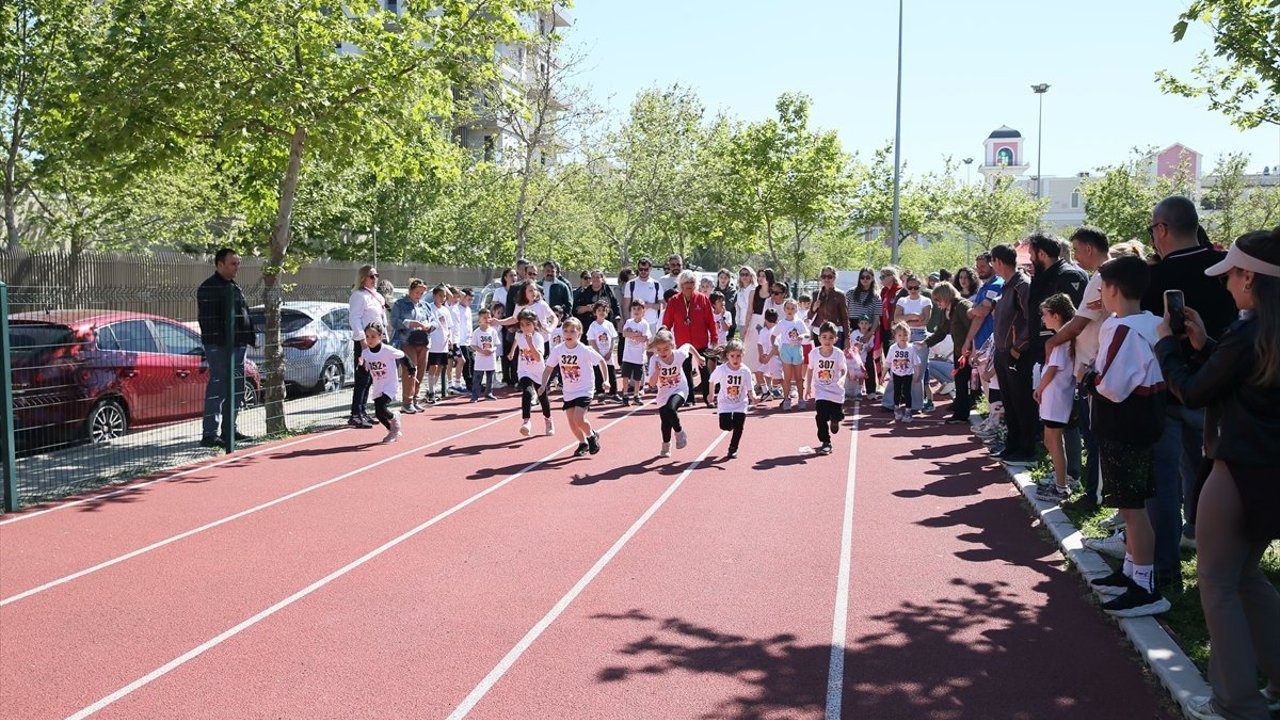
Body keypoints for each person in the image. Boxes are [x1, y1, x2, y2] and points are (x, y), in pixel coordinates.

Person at [1153, 229, 1280, 720]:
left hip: (1238, 468)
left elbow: (1193, 391)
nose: (1225, 284)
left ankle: (1236, 702)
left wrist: (1167, 347)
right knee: (1245, 577)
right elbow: (1240, 382)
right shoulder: (1262, 333)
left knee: (1218, 583)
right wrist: (1206, 345)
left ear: (1250, 278)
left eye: (1230, 275)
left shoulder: (1248, 334)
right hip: (1267, 468)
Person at [1141, 195, 1239, 591]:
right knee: (1209, 477)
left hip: (1166, 387)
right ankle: (1213, 557)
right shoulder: (1227, 269)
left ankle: (1165, 567)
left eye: (1153, 229)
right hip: (1219, 385)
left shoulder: (1152, 278)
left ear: (1162, 229)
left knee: (1162, 481)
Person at [1081, 254, 1171, 619]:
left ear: (1113, 290)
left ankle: (1145, 586)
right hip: (1141, 422)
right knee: (1131, 506)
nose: (1099, 295)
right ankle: (1132, 572)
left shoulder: (1124, 329)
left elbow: (1112, 386)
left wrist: (1088, 379)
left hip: (1124, 425)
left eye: (1102, 288)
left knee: (1133, 510)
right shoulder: (1149, 323)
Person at [1045, 227, 1110, 512]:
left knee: (1094, 437)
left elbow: (1078, 322)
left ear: (1089, 248)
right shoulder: (1099, 277)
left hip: (1094, 366)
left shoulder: (1102, 276)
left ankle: (1095, 495)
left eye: (1076, 250)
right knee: (1089, 434)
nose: (1075, 257)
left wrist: (1053, 341)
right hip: (1089, 366)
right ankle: (1093, 490)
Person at [196, 248, 255, 448]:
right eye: (233, 264)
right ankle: (209, 434)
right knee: (219, 387)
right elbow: (209, 322)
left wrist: (248, 336)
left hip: (238, 346)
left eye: (238, 263)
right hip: (220, 347)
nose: (237, 267)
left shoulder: (234, 286)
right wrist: (225, 342)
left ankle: (229, 429)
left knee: (237, 387)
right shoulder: (209, 288)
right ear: (219, 264)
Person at [987, 244, 1036, 463]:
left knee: (1021, 402)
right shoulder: (1007, 285)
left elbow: (1032, 319)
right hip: (1002, 351)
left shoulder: (1022, 285)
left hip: (1016, 353)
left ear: (998, 261)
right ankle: (1012, 445)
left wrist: (1018, 347)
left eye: (992, 262)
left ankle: (1026, 450)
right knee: (1009, 402)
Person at [539, 318, 608, 457]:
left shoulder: (584, 350)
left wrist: (606, 380)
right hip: (569, 390)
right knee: (572, 422)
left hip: (585, 389)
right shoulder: (558, 350)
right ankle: (583, 443)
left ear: (579, 333)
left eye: (572, 331)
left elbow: (601, 361)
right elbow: (548, 368)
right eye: (565, 331)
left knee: (578, 418)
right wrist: (543, 385)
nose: (568, 334)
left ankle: (591, 435)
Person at [1034, 293, 1078, 503]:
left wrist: (1039, 388)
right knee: (1049, 440)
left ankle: (1062, 486)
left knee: (1055, 441)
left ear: (1056, 315)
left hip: (1056, 397)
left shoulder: (1062, 341)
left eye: (1045, 314)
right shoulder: (1062, 338)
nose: (1043, 319)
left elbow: (1052, 369)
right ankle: (1059, 476)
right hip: (1053, 397)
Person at [1027, 232, 1089, 368]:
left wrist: (1052, 343)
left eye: (1031, 254)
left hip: (1060, 357)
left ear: (1041, 254)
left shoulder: (1068, 276)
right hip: (1042, 354)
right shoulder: (1041, 278)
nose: (1030, 259)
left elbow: (1073, 319)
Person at [661, 270, 718, 405]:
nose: (689, 285)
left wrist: (714, 337)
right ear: (681, 284)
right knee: (686, 371)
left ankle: (708, 398)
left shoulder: (702, 299)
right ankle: (689, 398)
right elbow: (667, 322)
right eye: (686, 282)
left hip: (701, 341)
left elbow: (711, 320)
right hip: (682, 342)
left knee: (704, 371)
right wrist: (663, 335)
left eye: (692, 282)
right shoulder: (674, 301)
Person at [647, 328, 703, 457]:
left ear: (672, 346)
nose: (662, 352)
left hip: (680, 389)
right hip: (663, 393)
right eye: (659, 349)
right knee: (665, 423)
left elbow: (688, 346)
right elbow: (652, 384)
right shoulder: (654, 360)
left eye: (666, 349)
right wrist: (657, 371)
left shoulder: (679, 354)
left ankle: (679, 432)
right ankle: (666, 446)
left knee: (671, 409)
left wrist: (698, 357)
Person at [923, 282, 974, 424]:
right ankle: (960, 407)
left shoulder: (962, 306)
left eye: (938, 299)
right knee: (960, 381)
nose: (937, 303)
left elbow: (974, 327)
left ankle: (962, 414)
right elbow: (941, 331)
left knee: (966, 382)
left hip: (969, 350)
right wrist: (925, 343)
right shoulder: (946, 310)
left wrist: (971, 347)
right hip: (959, 351)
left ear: (945, 296)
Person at [347, 265, 386, 427]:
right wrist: (362, 340)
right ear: (363, 278)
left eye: (376, 275)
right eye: (371, 276)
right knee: (362, 378)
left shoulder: (376, 296)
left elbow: (380, 318)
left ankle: (363, 411)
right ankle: (355, 414)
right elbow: (354, 319)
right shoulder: (359, 296)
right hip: (365, 342)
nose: (375, 279)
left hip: (377, 341)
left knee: (370, 378)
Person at [360, 321, 410, 444]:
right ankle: (392, 430)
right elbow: (365, 369)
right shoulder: (365, 353)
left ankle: (394, 419)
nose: (370, 339)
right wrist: (360, 367)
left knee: (382, 407)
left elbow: (403, 356)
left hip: (390, 384)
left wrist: (411, 368)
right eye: (367, 337)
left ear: (381, 336)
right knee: (378, 413)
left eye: (373, 336)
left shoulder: (387, 350)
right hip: (378, 385)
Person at [508, 309, 554, 437]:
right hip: (524, 370)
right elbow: (517, 340)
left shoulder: (538, 338)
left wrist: (530, 344)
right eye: (522, 325)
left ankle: (548, 420)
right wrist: (512, 351)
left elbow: (538, 358)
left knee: (542, 397)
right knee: (527, 392)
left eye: (528, 324)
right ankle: (526, 422)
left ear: (535, 324)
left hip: (538, 371)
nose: (525, 328)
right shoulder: (519, 334)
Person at [390, 278, 433, 414]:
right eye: (416, 292)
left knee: (421, 371)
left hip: (424, 341)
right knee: (411, 370)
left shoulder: (425, 305)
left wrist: (429, 325)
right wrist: (410, 323)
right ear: (410, 291)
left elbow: (434, 321)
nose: (419, 296)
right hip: (407, 341)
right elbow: (394, 321)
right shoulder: (400, 304)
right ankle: (407, 402)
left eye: (421, 293)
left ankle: (415, 399)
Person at [806, 322, 848, 455]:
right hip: (821, 391)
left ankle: (835, 419)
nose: (827, 340)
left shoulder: (838, 354)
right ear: (819, 338)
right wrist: (808, 387)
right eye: (824, 337)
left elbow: (844, 369)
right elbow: (810, 369)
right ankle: (826, 442)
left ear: (835, 339)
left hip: (836, 390)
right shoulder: (814, 353)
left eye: (831, 337)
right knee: (821, 416)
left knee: (836, 415)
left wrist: (842, 378)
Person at [710, 339, 755, 459]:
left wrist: (753, 397)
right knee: (725, 426)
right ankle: (729, 425)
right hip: (724, 402)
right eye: (732, 356)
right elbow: (712, 381)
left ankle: (733, 449)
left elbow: (750, 388)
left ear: (742, 355)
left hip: (741, 402)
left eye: (738, 356)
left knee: (739, 426)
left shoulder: (745, 371)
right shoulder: (722, 369)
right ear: (727, 356)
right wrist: (711, 394)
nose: (735, 359)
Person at [894, 275, 932, 412]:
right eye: (910, 287)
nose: (913, 290)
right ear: (906, 287)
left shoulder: (926, 300)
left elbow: (925, 321)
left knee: (918, 372)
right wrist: (913, 316)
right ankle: (892, 402)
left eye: (916, 287)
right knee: (898, 368)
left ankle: (916, 404)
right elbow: (897, 318)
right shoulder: (902, 300)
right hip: (904, 336)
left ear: (920, 287)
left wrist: (906, 320)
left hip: (920, 335)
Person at [775, 298, 812, 411]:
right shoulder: (781, 323)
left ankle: (801, 400)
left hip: (797, 349)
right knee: (787, 377)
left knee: (798, 377)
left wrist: (802, 336)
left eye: (792, 308)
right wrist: (774, 346)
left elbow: (808, 334)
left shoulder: (799, 322)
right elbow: (773, 335)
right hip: (786, 349)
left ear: (796, 309)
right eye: (788, 308)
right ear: (784, 309)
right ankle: (786, 400)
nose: (790, 310)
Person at [421, 285, 453, 404]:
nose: (442, 298)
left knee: (440, 366)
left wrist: (450, 338)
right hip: (434, 341)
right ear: (434, 296)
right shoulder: (430, 308)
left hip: (443, 342)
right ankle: (431, 391)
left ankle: (433, 389)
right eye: (440, 295)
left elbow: (449, 326)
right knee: (433, 366)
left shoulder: (445, 310)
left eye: (444, 296)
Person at [808, 265, 853, 349]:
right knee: (819, 356)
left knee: (835, 356)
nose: (826, 279)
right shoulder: (816, 294)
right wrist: (814, 308)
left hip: (835, 332)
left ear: (834, 278)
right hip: (819, 332)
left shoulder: (840, 295)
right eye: (824, 276)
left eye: (829, 277)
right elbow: (809, 316)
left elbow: (845, 318)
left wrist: (847, 338)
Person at [883, 322, 920, 423]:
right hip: (896, 374)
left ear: (909, 335)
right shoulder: (893, 348)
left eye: (905, 335)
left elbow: (916, 364)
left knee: (907, 392)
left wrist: (917, 375)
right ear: (895, 336)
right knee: (897, 392)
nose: (903, 337)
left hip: (908, 374)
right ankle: (897, 408)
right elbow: (887, 363)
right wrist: (882, 376)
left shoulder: (911, 348)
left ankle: (908, 411)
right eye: (900, 335)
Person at [620, 299, 653, 405]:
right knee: (625, 376)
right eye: (634, 309)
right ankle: (625, 395)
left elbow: (644, 339)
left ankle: (636, 395)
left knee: (637, 378)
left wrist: (633, 335)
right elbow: (624, 334)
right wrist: (636, 335)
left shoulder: (645, 324)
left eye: (639, 309)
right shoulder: (629, 322)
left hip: (639, 357)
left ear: (643, 311)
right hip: (628, 356)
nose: (636, 311)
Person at [587, 300, 621, 402]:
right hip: (598, 354)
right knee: (598, 374)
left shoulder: (609, 324)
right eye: (599, 310)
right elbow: (591, 340)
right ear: (595, 312)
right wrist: (598, 353)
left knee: (611, 373)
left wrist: (610, 351)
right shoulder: (593, 325)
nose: (602, 312)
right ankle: (600, 393)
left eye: (604, 310)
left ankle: (613, 393)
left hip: (608, 354)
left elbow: (614, 338)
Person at [735, 267, 764, 381]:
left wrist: (747, 325)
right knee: (743, 349)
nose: (744, 277)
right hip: (741, 323)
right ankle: (747, 377)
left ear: (751, 276)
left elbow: (751, 309)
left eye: (747, 274)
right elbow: (739, 308)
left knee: (752, 350)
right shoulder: (739, 290)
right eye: (742, 274)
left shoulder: (755, 289)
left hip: (753, 323)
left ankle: (758, 379)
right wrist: (738, 323)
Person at [623, 257, 664, 328]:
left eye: (646, 269)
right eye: (641, 269)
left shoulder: (656, 284)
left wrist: (650, 305)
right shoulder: (630, 284)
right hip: (635, 323)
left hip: (652, 323)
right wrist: (628, 324)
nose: (643, 271)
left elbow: (663, 305)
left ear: (650, 269)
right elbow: (626, 307)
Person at [469, 308, 501, 402]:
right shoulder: (477, 332)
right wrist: (482, 351)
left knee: (490, 377)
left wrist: (492, 350)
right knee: (477, 378)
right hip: (480, 359)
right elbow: (473, 345)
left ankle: (488, 393)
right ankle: (475, 395)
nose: (487, 319)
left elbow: (496, 344)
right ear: (480, 319)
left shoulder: (493, 331)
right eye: (484, 318)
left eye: (488, 317)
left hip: (490, 359)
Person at [851, 315, 882, 399]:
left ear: (870, 325)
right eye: (862, 323)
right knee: (854, 375)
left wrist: (867, 347)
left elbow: (870, 347)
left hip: (863, 359)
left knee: (862, 375)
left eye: (866, 323)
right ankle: (853, 390)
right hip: (854, 359)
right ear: (858, 324)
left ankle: (860, 390)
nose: (864, 325)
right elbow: (851, 343)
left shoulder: (871, 336)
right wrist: (856, 346)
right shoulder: (854, 333)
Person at [714, 268, 737, 333]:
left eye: (725, 278)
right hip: (715, 322)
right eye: (721, 277)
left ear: (729, 279)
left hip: (728, 322)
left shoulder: (732, 291)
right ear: (718, 278)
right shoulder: (714, 291)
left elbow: (729, 306)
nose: (723, 280)